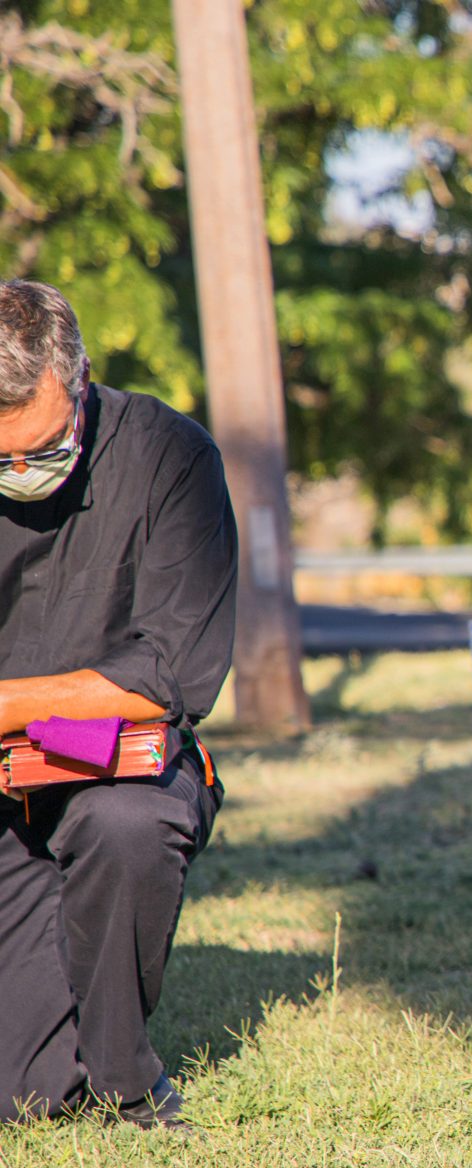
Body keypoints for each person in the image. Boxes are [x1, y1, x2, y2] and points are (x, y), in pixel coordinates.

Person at [0, 281, 235, 1124]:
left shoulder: (173, 456)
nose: (24, 474)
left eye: (43, 447)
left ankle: (127, 1080)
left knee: (125, 825)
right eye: (1, 462)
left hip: (116, 770)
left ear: (82, 382)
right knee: (21, 1098)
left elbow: (171, 674)